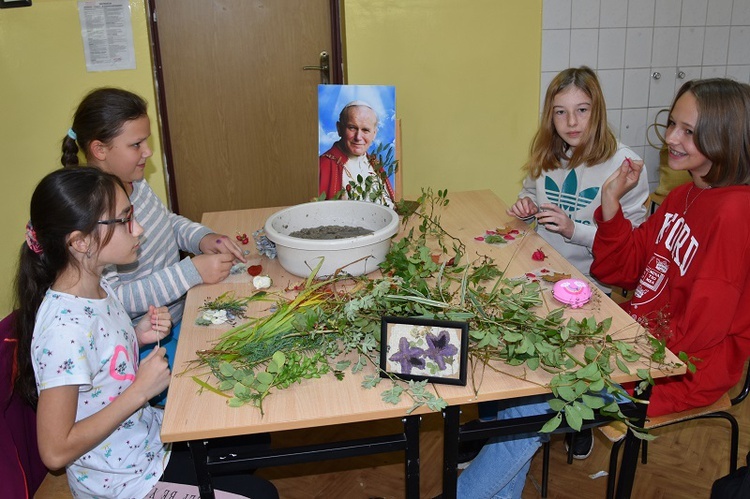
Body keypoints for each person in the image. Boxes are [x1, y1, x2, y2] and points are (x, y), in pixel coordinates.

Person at [457, 78, 750, 499]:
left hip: (675, 368)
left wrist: (615, 348)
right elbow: (626, 270)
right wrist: (611, 202)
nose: (670, 139)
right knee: (525, 392)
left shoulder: (736, 212)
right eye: (671, 124)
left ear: (724, 136)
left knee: (531, 404)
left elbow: (704, 328)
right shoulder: (684, 195)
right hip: (634, 342)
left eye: (688, 131)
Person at [13, 167, 278, 498]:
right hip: (126, 484)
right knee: (262, 494)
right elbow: (54, 452)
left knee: (254, 439)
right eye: (124, 220)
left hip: (147, 442)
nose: (138, 229)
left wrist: (137, 336)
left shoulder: (97, 284)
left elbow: (100, 361)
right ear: (81, 241)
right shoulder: (63, 331)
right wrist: (140, 391)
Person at [61, 88, 246, 402]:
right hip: (148, 343)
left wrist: (202, 238)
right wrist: (191, 272)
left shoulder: (133, 180)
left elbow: (168, 223)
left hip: (180, 316)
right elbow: (117, 296)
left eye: (146, 141)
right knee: (226, 392)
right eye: (136, 144)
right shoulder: (94, 220)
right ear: (99, 150)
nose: (147, 152)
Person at [507, 66, 649, 292]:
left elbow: (630, 245)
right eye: (560, 112)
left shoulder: (625, 166)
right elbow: (530, 193)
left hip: (589, 282)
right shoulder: (547, 152)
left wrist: (573, 230)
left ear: (598, 112)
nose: (571, 122)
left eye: (582, 110)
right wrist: (527, 206)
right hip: (540, 267)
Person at [319, 100, 395, 205]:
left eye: (365, 130)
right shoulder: (322, 166)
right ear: (339, 129)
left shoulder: (375, 165)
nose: (358, 137)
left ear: (374, 134)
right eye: (352, 128)